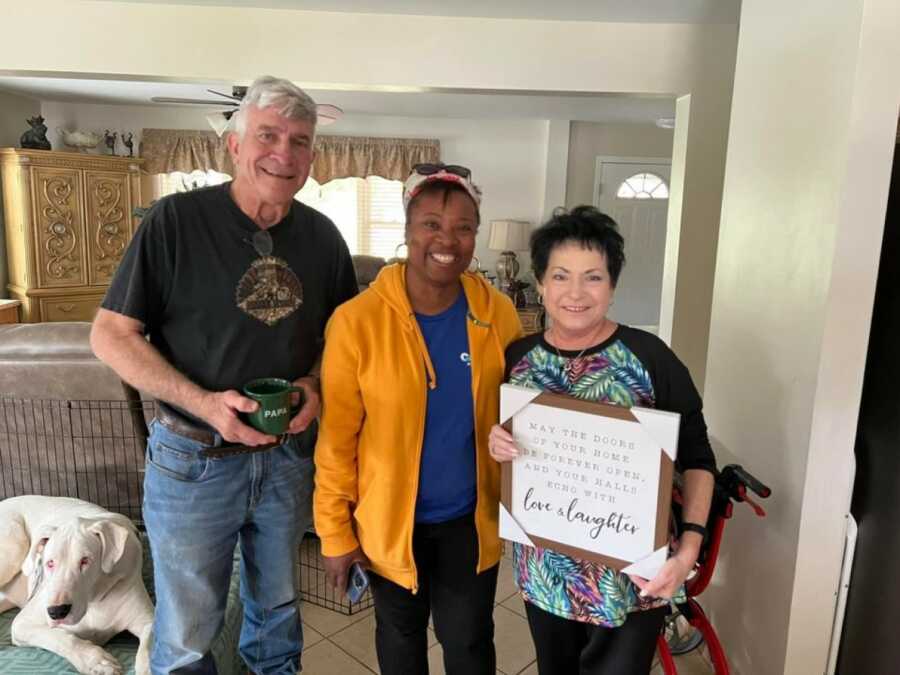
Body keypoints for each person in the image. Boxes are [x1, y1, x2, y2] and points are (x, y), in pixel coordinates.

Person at [90, 75, 358, 675]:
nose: (283, 154)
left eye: (299, 141)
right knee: (186, 630)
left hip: (288, 458)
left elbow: (341, 341)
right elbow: (110, 334)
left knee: (279, 612)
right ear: (234, 146)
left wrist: (314, 385)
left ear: (312, 156)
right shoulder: (174, 222)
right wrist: (207, 403)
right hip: (192, 460)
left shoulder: (323, 238)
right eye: (267, 135)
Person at [313, 163, 523, 675]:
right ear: (407, 230)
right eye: (431, 223)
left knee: (470, 644)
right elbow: (337, 440)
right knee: (400, 641)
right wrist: (335, 534)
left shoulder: (498, 313)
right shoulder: (356, 322)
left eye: (463, 227)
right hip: (390, 525)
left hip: (471, 522)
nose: (446, 239)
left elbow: (523, 412)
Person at [488, 206, 716, 675]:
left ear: (612, 285)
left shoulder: (649, 358)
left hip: (633, 581)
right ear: (541, 282)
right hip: (546, 573)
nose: (575, 293)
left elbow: (697, 456)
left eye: (592, 277)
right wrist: (497, 444)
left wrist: (690, 546)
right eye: (561, 276)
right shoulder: (518, 360)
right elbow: (511, 456)